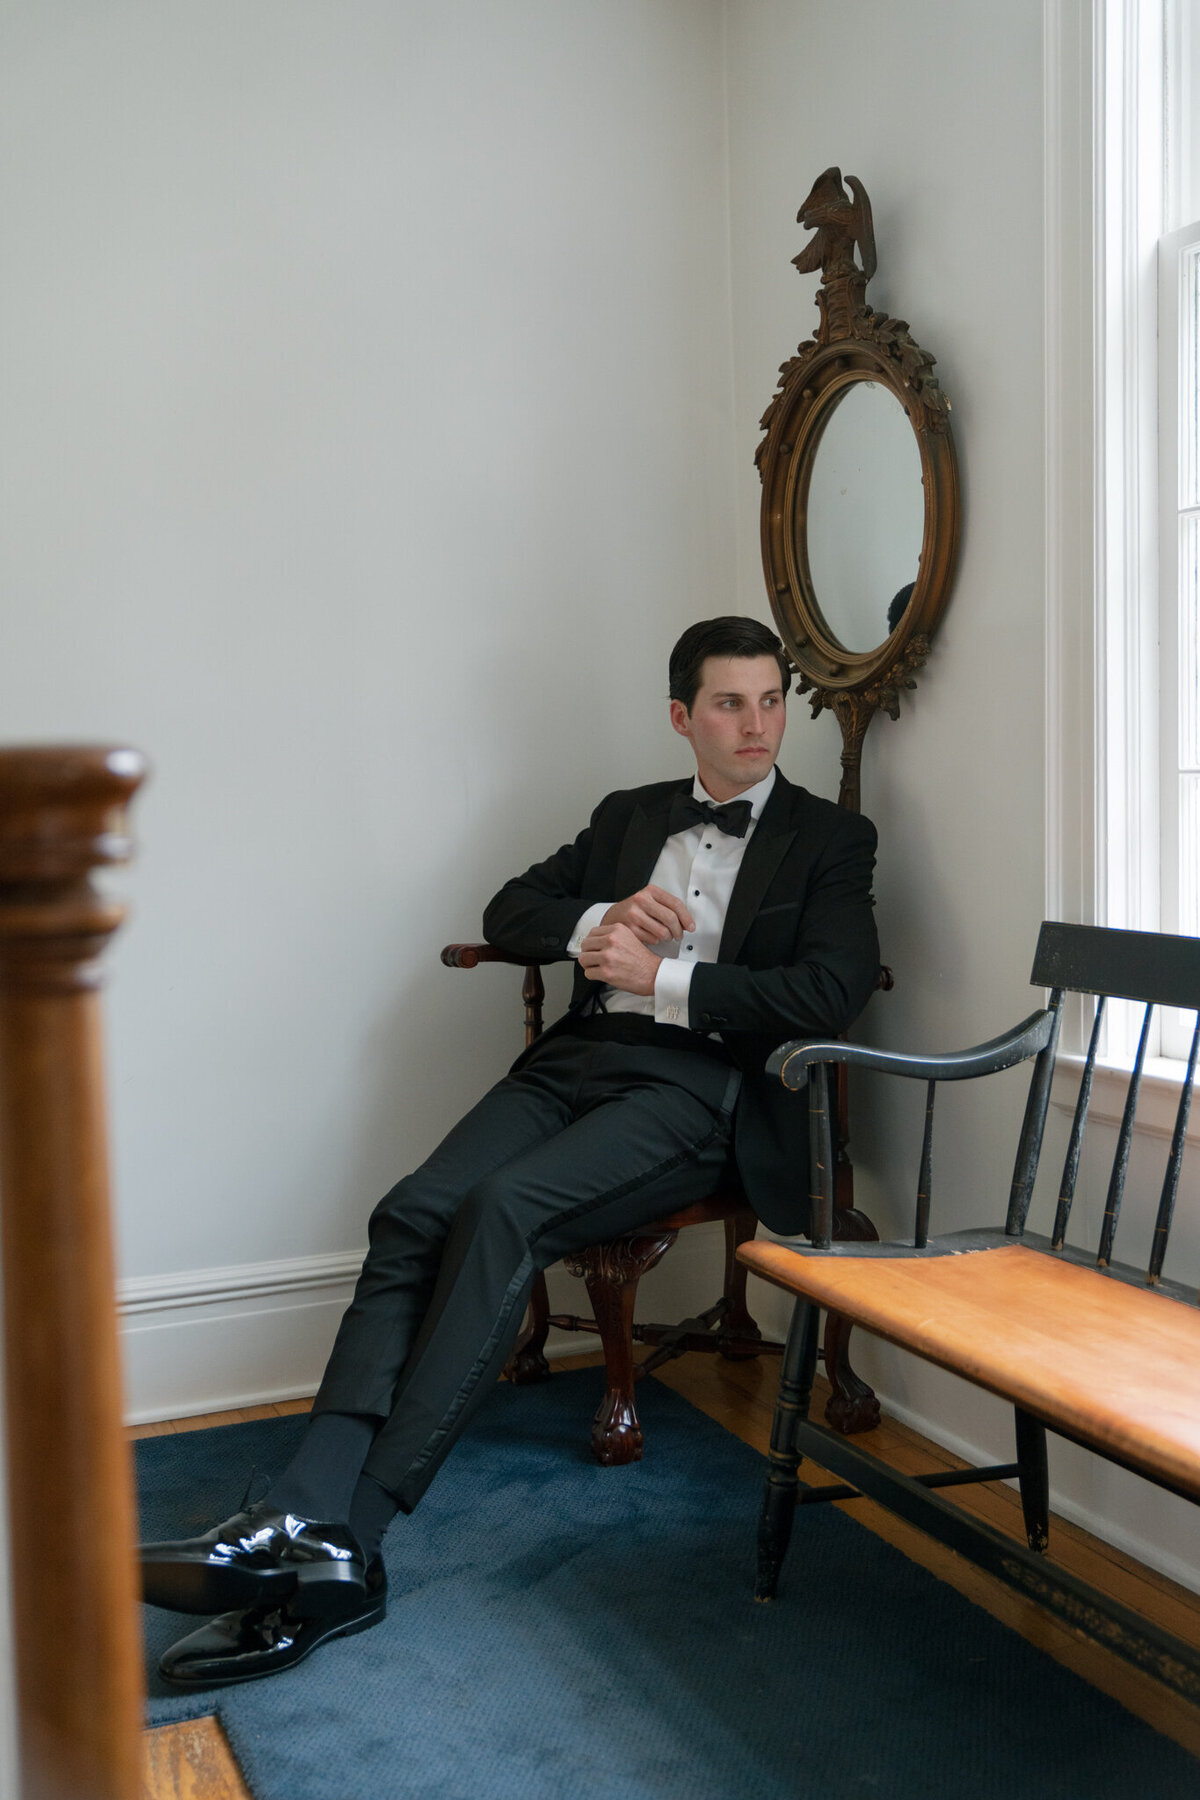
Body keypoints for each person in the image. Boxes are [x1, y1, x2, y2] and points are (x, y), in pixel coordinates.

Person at [140, 615, 881, 1687]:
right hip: (576, 1063)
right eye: (730, 702)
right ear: (683, 717)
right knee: (413, 1208)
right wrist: (599, 921)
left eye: (771, 700)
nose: (757, 723)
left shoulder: (830, 838)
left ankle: (351, 1542)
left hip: (701, 1087)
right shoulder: (631, 816)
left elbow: (829, 989)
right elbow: (509, 907)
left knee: (504, 1211)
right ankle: (301, 1511)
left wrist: (660, 978)